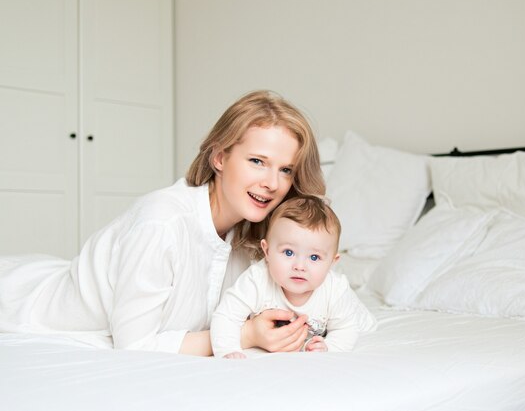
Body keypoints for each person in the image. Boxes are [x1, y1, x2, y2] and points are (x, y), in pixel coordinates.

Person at [0, 90, 325, 356]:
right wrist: (245, 335)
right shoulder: (162, 224)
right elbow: (136, 346)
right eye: (258, 161)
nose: (272, 182)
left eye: (286, 170)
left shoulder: (258, 239)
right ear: (220, 158)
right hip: (22, 302)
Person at [211, 196, 377, 359]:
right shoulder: (257, 279)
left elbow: (346, 328)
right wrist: (228, 351)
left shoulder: (335, 288)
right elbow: (227, 315)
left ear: (332, 262)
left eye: (314, 257)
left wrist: (330, 347)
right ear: (267, 251)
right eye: (288, 252)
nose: (299, 266)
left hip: (357, 315)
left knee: (360, 322)